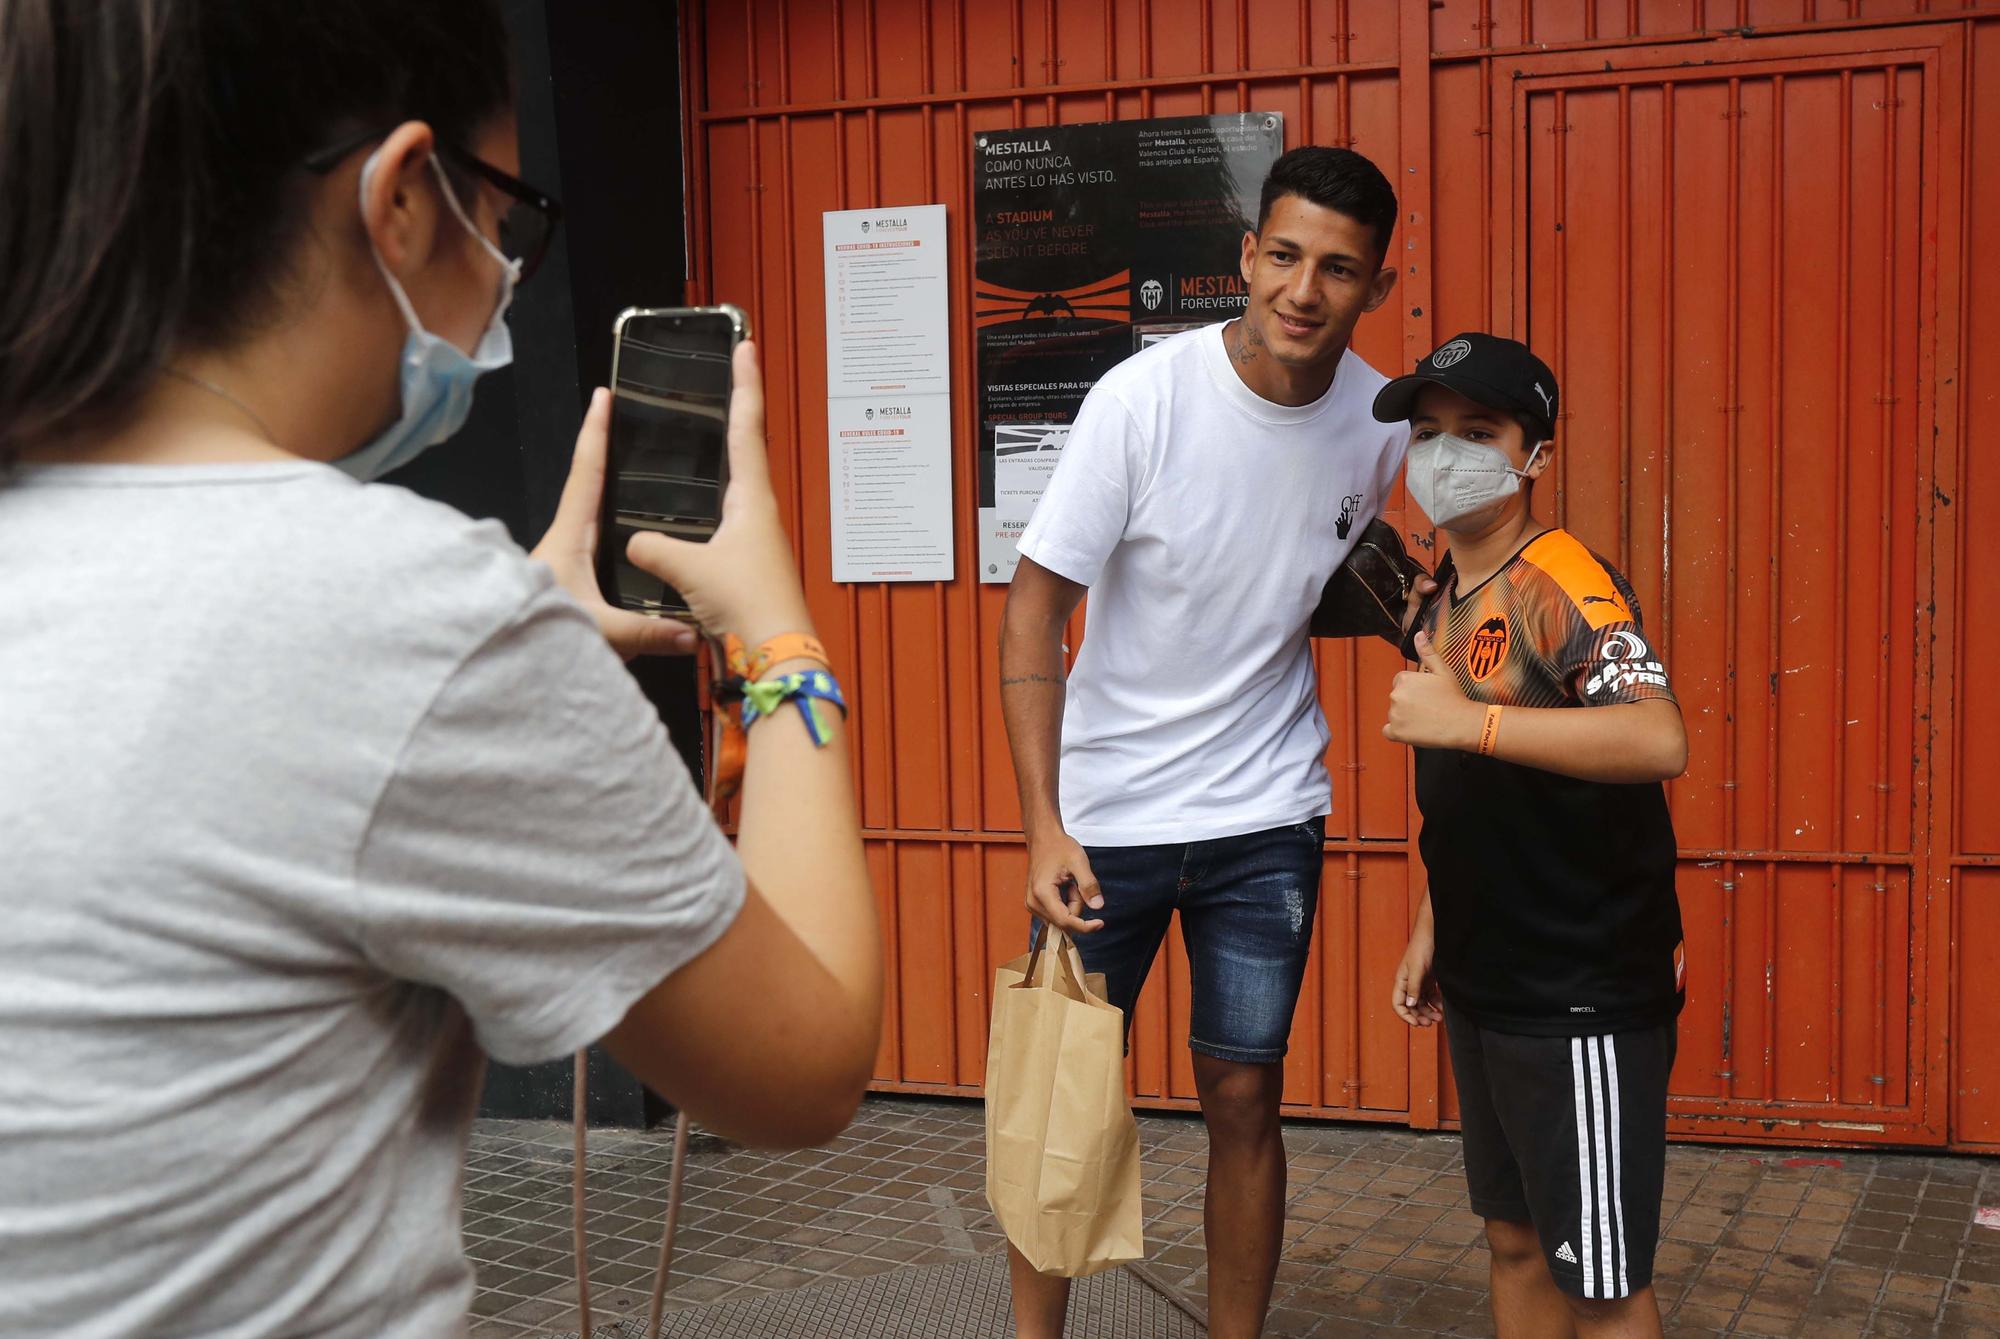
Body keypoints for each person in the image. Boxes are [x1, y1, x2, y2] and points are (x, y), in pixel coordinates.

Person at [0, 4, 880, 1336]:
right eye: (510, 217)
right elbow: (801, 1068)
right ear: (404, 197)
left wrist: (508, 629)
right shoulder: (413, 614)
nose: (507, 276)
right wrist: (780, 641)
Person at [998, 146, 1420, 1339]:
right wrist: (1043, 824)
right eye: (1281, 255)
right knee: (1063, 1095)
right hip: (1106, 819)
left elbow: (1330, 566)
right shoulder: (1143, 400)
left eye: (1337, 269)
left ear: (1373, 288)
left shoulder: (1378, 425)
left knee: (1243, 1096)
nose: (1302, 289)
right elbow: (1034, 606)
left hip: (1263, 816)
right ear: (1243, 256)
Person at [1377, 333, 1688, 1339]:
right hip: (1485, 975)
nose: (1442, 453)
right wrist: (1432, 918)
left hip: (1577, 984)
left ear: (1534, 456)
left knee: (1598, 1282)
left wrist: (1468, 719)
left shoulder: (1561, 581)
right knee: (1512, 1238)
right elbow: (1479, 792)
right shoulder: (1441, 593)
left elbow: (1656, 735)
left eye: (1477, 431)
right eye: (1426, 433)